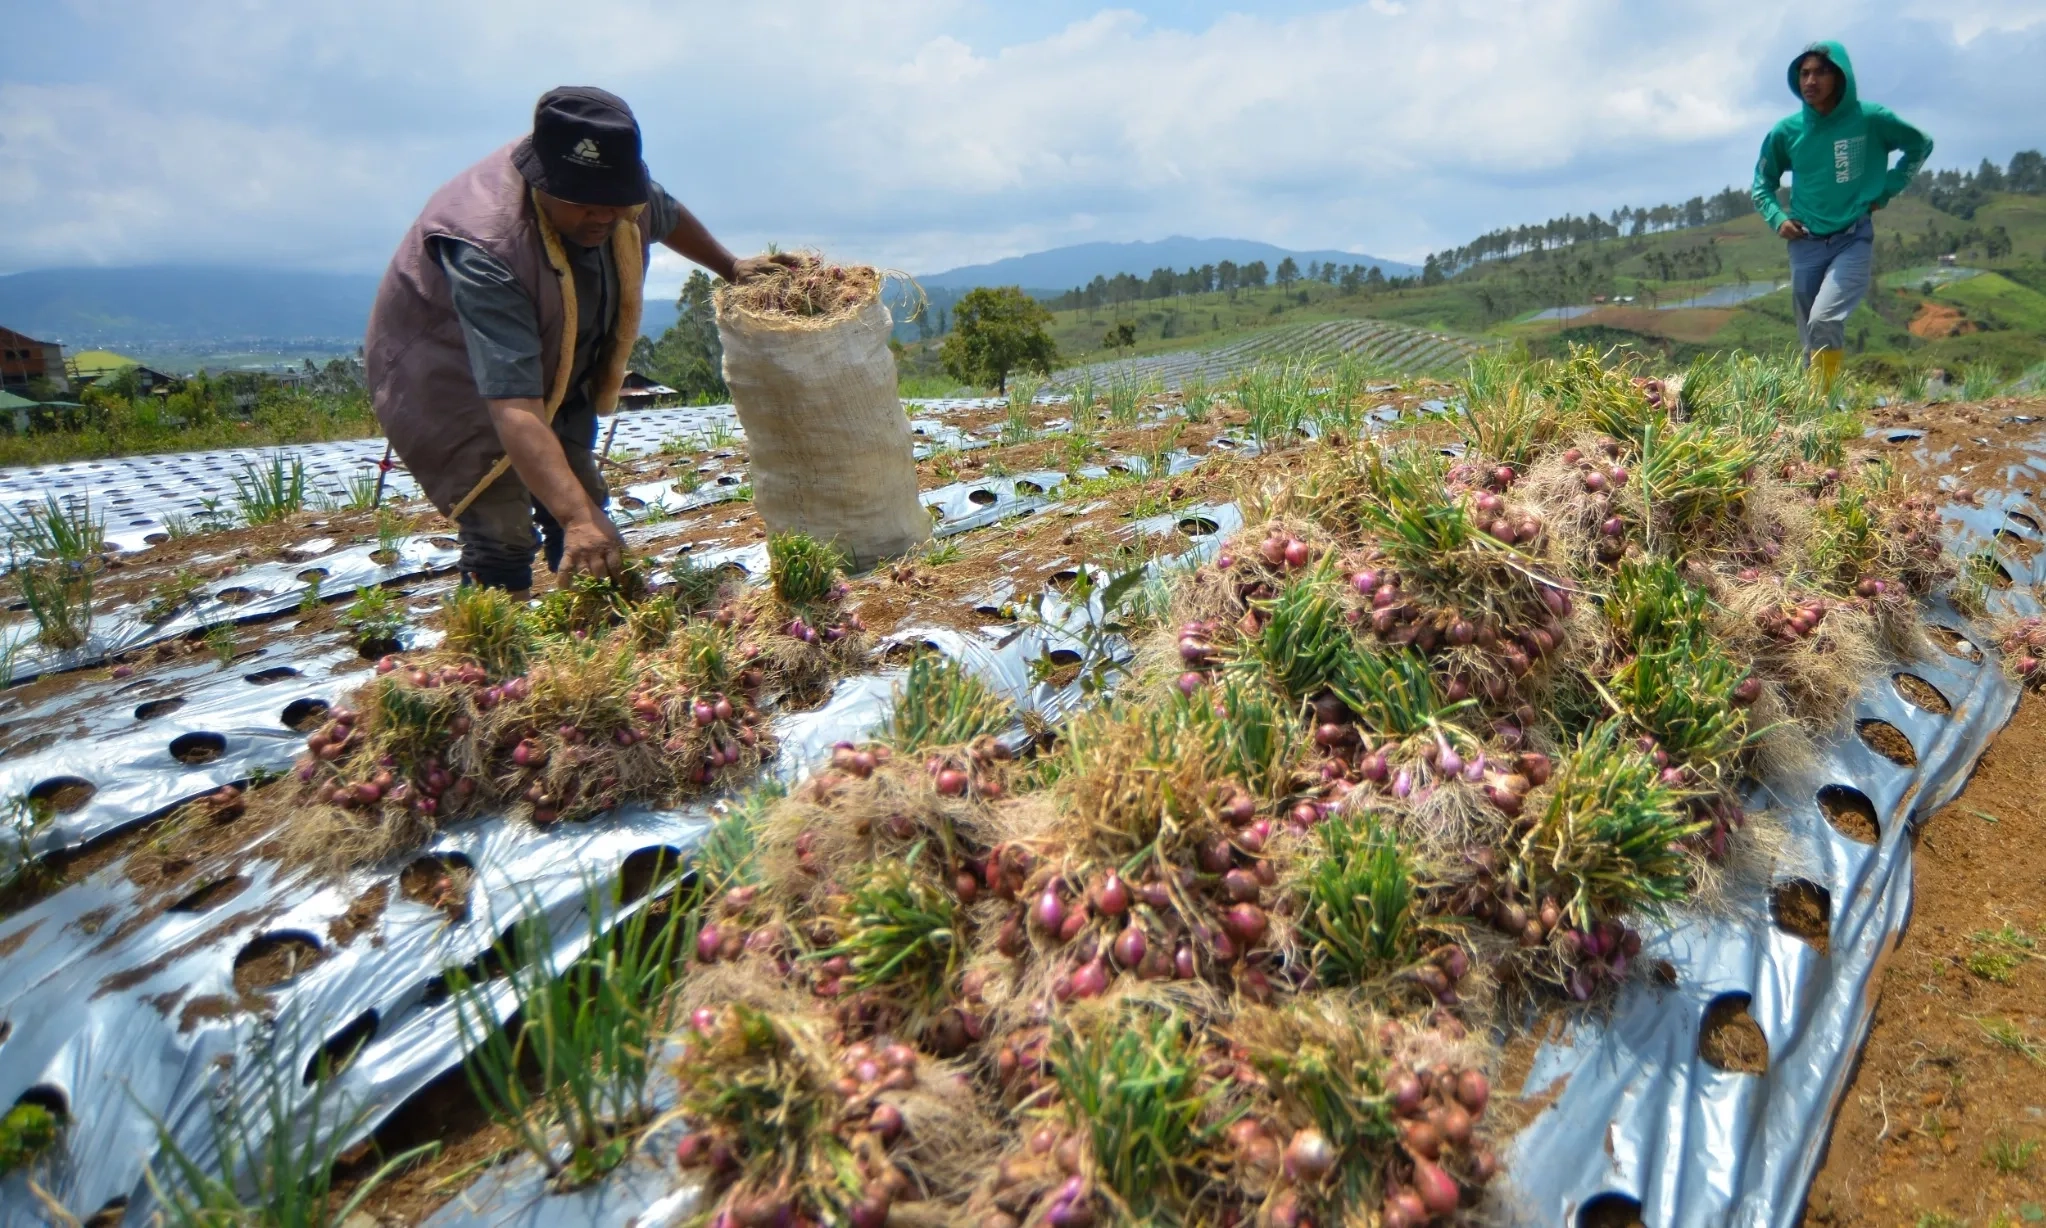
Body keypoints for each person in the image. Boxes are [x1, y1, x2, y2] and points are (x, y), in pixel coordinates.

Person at [366, 86, 790, 591]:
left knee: (581, 493)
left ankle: (593, 619)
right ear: (541, 181)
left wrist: (732, 266)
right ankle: (491, 650)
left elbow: (664, 212)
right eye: (584, 206)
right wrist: (576, 519)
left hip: (557, 361)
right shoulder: (489, 246)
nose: (604, 217)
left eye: (615, 204)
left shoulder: (612, 192)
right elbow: (514, 406)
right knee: (502, 524)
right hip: (452, 376)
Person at [1750, 41, 1932, 392]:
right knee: (1810, 336)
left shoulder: (1871, 119)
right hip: (1805, 243)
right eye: (1804, 73)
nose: (1810, 80)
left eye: (1820, 71)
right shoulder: (1786, 132)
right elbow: (1761, 184)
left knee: (1824, 318)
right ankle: (1817, 409)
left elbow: (1919, 145)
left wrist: (1886, 189)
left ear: (1841, 76)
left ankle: (1824, 399)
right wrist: (1777, 219)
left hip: (1853, 238)